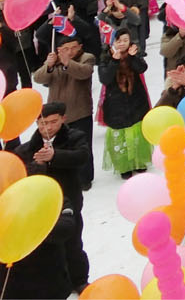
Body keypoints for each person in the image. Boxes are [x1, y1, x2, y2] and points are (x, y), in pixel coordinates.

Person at [12, 103, 91, 293]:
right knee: (48, 248)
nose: (47, 128)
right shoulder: (27, 148)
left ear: (63, 119)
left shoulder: (74, 138)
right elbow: (19, 173)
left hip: (68, 199)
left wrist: (55, 156)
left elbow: (81, 157)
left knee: (73, 243)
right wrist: (38, 164)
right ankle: (56, 283)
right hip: (40, 205)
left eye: (52, 122)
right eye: (42, 123)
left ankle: (79, 279)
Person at [32, 34, 96, 190]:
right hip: (57, 114)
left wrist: (68, 62)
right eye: (65, 49)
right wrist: (48, 65)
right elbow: (38, 78)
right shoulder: (54, 62)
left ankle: (85, 179)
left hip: (80, 110)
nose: (70, 51)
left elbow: (84, 72)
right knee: (60, 146)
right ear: (59, 49)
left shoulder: (86, 58)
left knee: (82, 145)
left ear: (80, 46)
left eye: (73, 47)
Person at [98, 28, 153, 178]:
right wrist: (114, 61)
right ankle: (124, 166)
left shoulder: (133, 53)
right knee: (120, 135)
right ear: (112, 42)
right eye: (119, 40)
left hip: (135, 99)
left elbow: (142, 68)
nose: (122, 44)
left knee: (137, 132)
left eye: (125, 40)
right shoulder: (105, 57)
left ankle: (140, 161)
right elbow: (105, 78)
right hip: (115, 102)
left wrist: (133, 58)